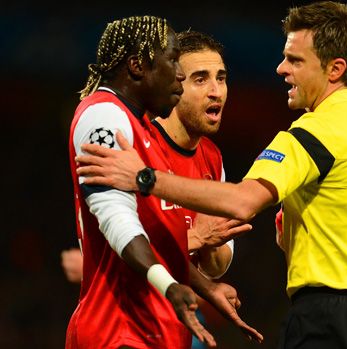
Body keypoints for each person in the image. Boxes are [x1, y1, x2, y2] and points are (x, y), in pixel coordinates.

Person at [74, 2, 347, 348]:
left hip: (326, 319)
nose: (281, 69)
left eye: (294, 60)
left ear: (335, 69)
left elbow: (242, 202)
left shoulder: (311, 134)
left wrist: (145, 178)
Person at [67, 16, 261, 349]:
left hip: (168, 332)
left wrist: (205, 285)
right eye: (179, 69)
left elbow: (209, 259)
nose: (178, 76)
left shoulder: (208, 157)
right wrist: (193, 241)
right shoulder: (113, 123)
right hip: (119, 331)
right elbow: (115, 224)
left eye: (221, 78)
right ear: (138, 66)